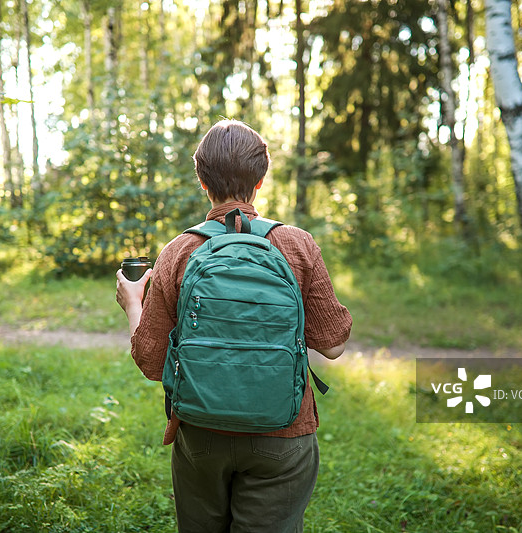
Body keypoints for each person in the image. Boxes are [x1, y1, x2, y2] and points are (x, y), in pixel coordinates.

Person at [116, 119, 352, 532]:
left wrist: (134, 305)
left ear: (202, 182)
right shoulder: (297, 245)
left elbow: (152, 362)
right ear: (261, 180)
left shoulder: (179, 251)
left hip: (201, 433)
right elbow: (332, 345)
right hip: (285, 430)